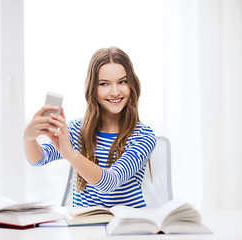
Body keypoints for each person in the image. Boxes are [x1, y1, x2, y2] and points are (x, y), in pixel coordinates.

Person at [23, 46, 157, 208]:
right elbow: (39, 159)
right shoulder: (77, 130)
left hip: (126, 228)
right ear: (92, 89)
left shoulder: (143, 136)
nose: (115, 92)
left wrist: (70, 154)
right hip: (83, 228)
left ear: (132, 85)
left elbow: (110, 183)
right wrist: (29, 138)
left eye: (122, 81)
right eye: (104, 84)